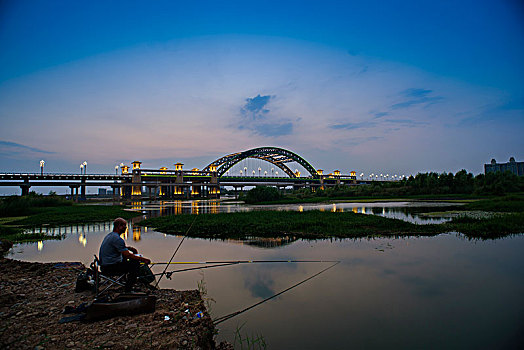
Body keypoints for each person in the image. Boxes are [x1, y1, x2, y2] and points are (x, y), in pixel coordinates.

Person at [99, 218, 151, 292]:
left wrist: (129, 248)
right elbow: (128, 255)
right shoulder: (117, 239)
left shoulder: (110, 236)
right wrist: (144, 259)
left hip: (105, 265)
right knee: (135, 264)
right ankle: (128, 289)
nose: (126, 228)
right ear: (118, 226)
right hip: (109, 267)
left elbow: (118, 248)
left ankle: (126, 282)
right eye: (124, 226)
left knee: (129, 260)